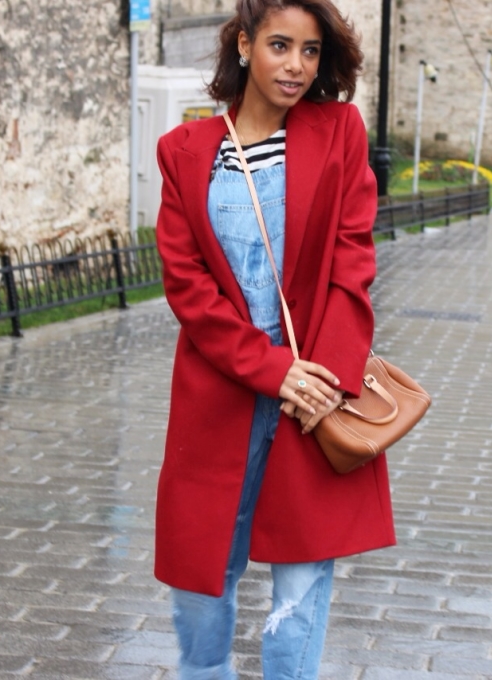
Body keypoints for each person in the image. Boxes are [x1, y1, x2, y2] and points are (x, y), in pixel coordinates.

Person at [153, 0, 395, 677]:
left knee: (301, 580)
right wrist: (267, 368)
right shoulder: (185, 152)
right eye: (280, 46)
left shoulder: (338, 131)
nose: (296, 66)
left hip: (312, 395)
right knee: (203, 577)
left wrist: (329, 378)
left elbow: (353, 261)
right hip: (220, 393)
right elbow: (188, 286)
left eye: (310, 51)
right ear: (242, 44)